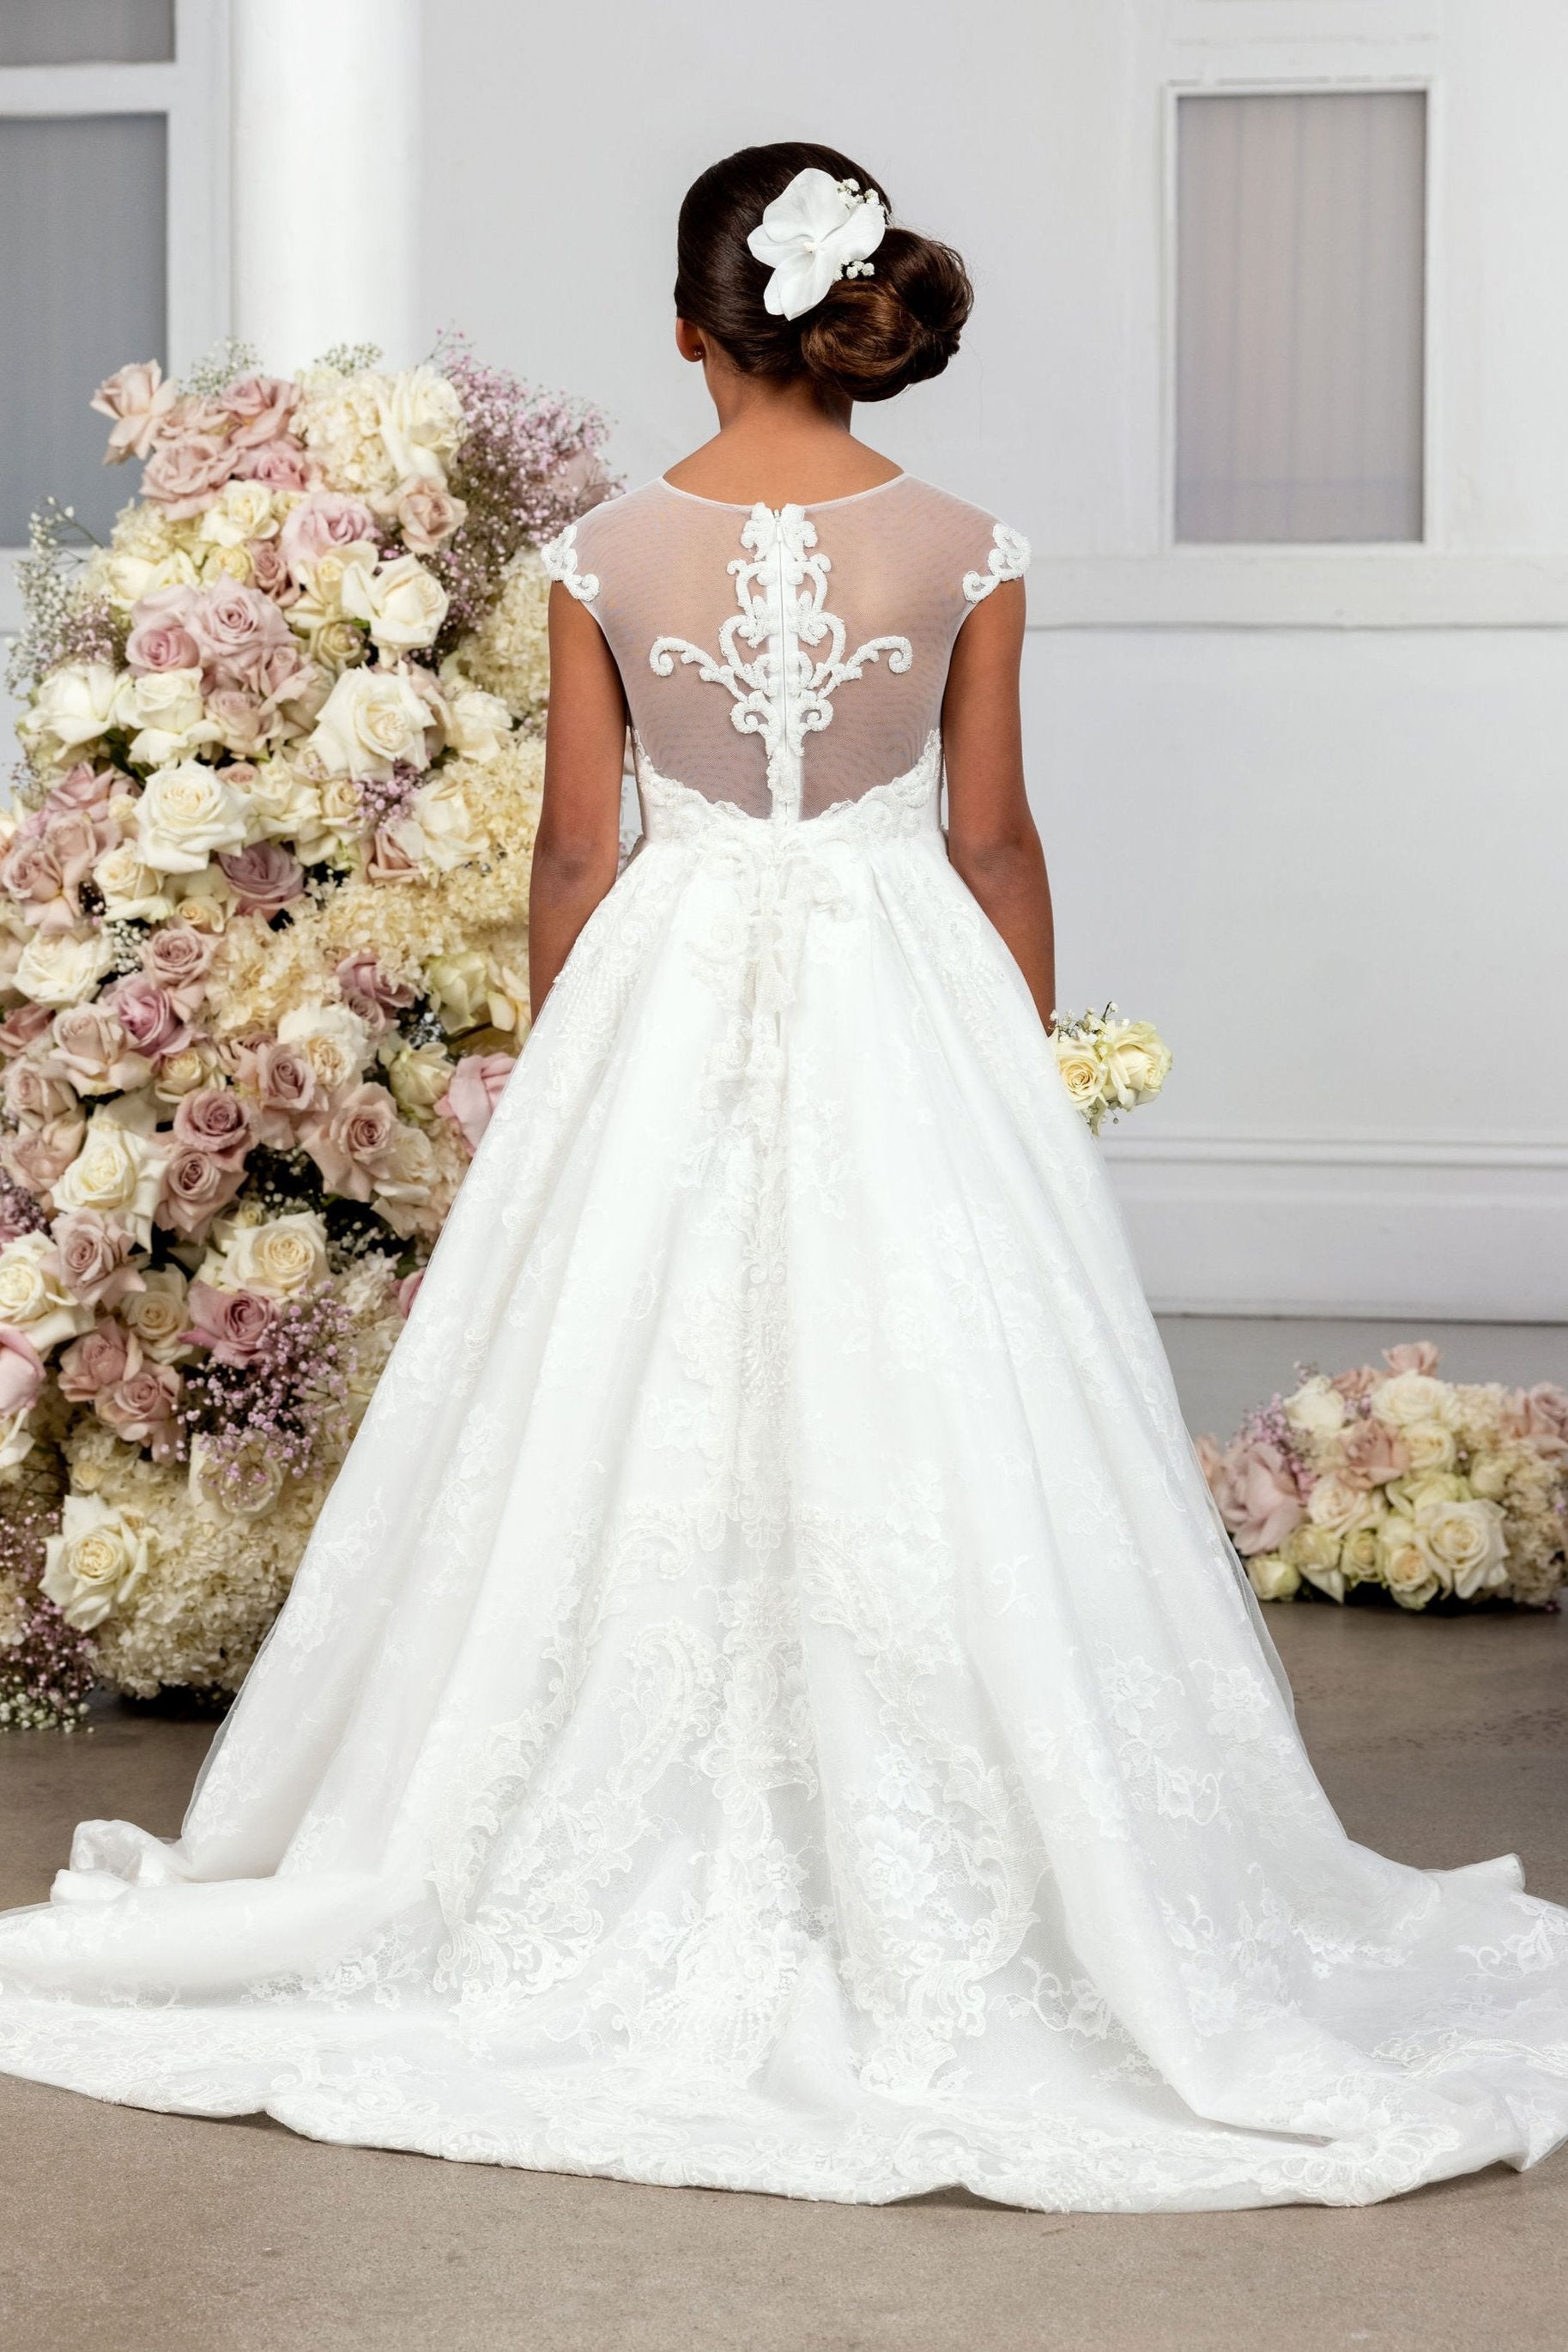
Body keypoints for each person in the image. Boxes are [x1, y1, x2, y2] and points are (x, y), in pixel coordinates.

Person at [1, 141, 1565, 2215]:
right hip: (903, 980)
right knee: (938, 1388)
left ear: (687, 328)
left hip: (661, 980)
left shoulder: (600, 551)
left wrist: (566, 1076)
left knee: (618, 1390)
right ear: (845, 321)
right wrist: (1022, 1065)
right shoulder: (965, 547)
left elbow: (577, 851)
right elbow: (991, 837)